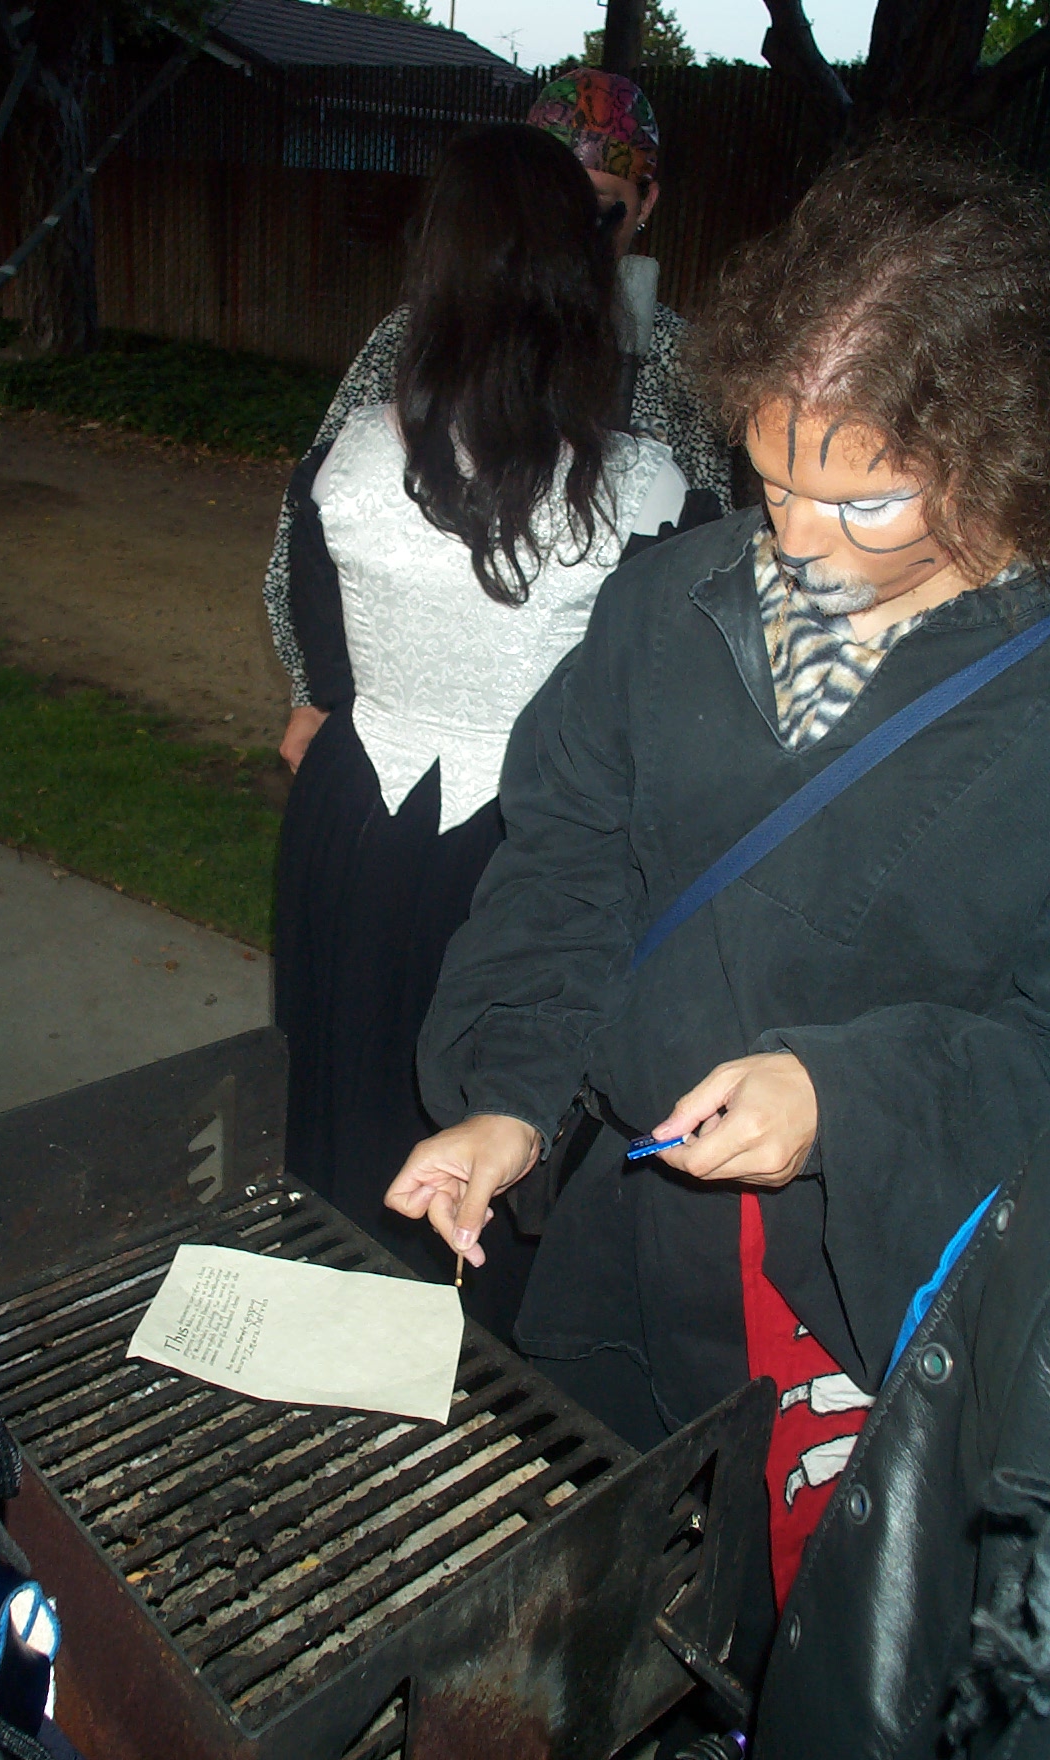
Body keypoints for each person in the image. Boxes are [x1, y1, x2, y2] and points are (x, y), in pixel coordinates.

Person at [385, 141, 1050, 1683]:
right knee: (620, 1626)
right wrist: (508, 1099)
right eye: (773, 479)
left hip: (872, 1306)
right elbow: (566, 873)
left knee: (813, 1663)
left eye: (866, 499)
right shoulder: (666, 603)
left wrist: (846, 1099)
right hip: (635, 1255)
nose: (798, 541)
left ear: (1009, 453)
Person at [275, 122, 690, 1338]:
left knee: (345, 1097)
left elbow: (323, 657)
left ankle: (345, 1337)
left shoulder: (342, 462)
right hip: (536, 844)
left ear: (435, 265)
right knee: (493, 1126)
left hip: (366, 824)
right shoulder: (657, 495)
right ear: (584, 270)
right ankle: (467, 1373)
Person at [267, 68, 733, 775]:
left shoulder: (682, 364)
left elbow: (706, 585)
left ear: (646, 203)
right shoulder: (415, 340)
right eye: (553, 202)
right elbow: (313, 538)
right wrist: (321, 693)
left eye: (598, 206)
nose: (571, 231)